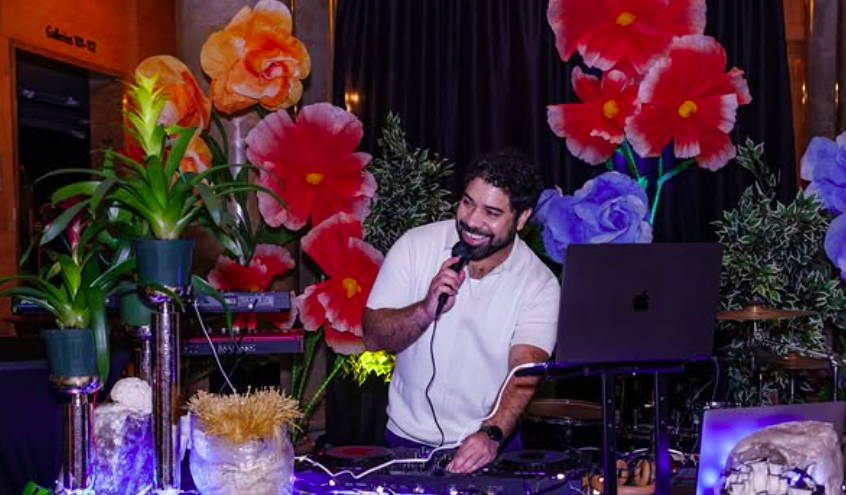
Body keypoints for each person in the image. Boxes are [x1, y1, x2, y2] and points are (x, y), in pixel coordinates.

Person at [362, 149, 560, 474]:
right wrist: (425, 309)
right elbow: (373, 337)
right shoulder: (415, 246)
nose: (471, 221)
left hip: (490, 445)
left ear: (522, 218)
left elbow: (524, 373)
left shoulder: (540, 284)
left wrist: (490, 434)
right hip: (404, 443)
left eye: (491, 213)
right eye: (468, 202)